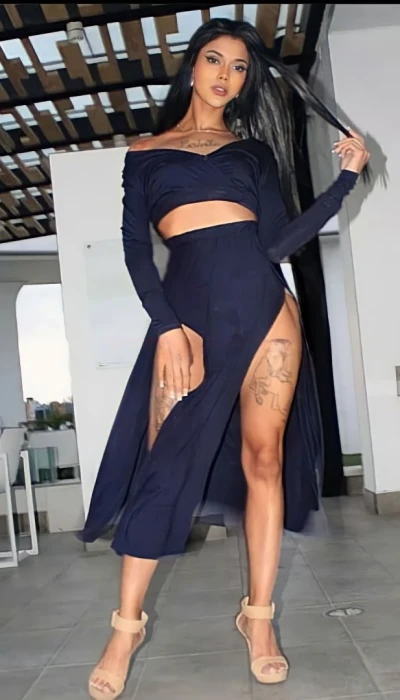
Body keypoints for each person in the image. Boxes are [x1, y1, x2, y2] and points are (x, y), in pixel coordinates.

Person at [81, 18, 370, 699]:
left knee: (264, 461)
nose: (226, 76)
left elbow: (277, 244)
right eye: (215, 60)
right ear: (192, 67)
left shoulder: (252, 154)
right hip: (188, 317)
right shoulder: (145, 153)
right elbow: (135, 249)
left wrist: (345, 182)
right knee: (165, 465)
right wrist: (167, 328)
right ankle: (125, 627)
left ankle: (258, 620)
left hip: (266, 311)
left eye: (240, 68)